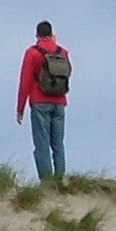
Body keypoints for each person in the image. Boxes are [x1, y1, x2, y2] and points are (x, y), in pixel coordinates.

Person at [16, 21, 70, 180]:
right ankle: (60, 179)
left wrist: (20, 109)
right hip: (59, 102)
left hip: (39, 101)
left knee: (42, 144)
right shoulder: (63, 52)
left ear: (37, 35)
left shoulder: (32, 52)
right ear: (52, 34)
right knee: (58, 144)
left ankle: (47, 182)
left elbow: (25, 81)